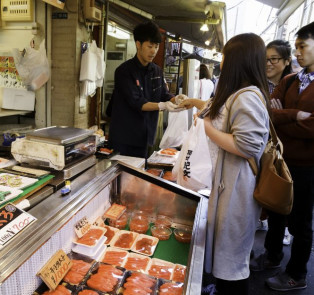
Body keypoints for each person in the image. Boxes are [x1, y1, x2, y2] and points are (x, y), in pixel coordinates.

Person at [179, 33, 270, 295]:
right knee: (225, 254)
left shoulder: (248, 96)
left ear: (237, 60)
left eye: (226, 56)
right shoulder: (237, 93)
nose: (222, 61)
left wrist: (207, 128)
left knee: (232, 262)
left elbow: (247, 146)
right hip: (227, 185)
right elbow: (215, 109)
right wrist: (192, 104)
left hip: (237, 189)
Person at [251, 21, 314, 292]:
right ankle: (272, 256)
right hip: (281, 160)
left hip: (307, 165)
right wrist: (293, 115)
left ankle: (297, 273)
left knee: (300, 221)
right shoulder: (290, 81)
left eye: (303, 46)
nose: (299, 53)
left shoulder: (291, 83)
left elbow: (312, 127)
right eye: (297, 47)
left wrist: (284, 117)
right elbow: (268, 113)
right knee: (276, 209)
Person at [108, 21, 182, 158]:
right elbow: (137, 102)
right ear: (138, 44)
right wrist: (162, 105)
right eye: (149, 46)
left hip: (145, 136)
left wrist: (175, 99)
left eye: (156, 46)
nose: (153, 51)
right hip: (124, 138)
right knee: (122, 177)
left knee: (139, 175)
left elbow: (163, 94)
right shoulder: (124, 71)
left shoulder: (157, 71)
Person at [256, 40, 293, 244]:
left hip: (284, 153)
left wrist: (279, 113)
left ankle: (282, 231)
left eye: (274, 59)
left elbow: (278, 117)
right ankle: (264, 220)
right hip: (264, 149)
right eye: (265, 59)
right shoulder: (259, 84)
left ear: (286, 61)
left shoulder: (293, 86)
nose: (268, 63)